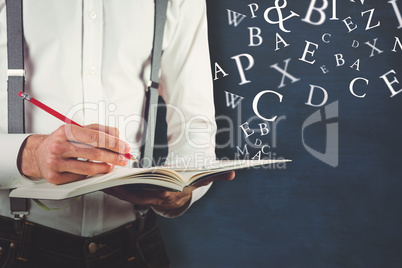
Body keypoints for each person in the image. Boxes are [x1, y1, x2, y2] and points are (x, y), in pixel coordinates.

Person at [0, 0, 235, 267]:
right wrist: (29, 155)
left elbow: (195, 126)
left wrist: (181, 188)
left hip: (136, 243)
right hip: (13, 242)